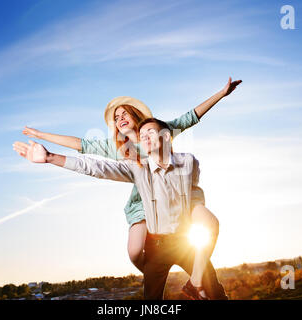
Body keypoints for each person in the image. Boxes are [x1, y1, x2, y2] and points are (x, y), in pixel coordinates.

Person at [19, 77, 241, 298]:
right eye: (116, 118)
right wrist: (42, 141)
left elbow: (190, 117)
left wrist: (221, 94)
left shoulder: (162, 133)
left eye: (124, 113)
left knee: (205, 229)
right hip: (142, 201)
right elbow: (85, 153)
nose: (120, 118)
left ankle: (194, 276)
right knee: (135, 251)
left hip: (173, 197)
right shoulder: (118, 148)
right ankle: (160, 270)